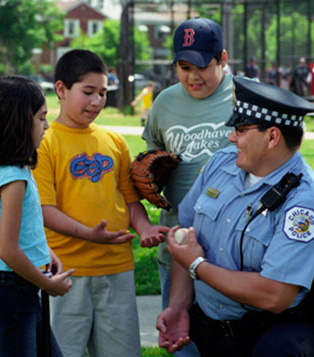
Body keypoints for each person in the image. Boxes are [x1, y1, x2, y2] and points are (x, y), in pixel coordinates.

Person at [156, 76, 314, 356]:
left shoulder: (304, 204)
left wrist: (197, 265)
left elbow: (275, 295)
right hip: (212, 327)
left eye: (240, 129)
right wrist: (178, 306)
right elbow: (185, 235)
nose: (231, 137)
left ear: (272, 137)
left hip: (274, 333)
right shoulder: (221, 163)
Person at [32, 49, 169, 357]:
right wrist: (89, 234)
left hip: (116, 267)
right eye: (88, 92)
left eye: (103, 93)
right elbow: (44, 210)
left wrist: (144, 227)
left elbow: (130, 199)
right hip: (65, 272)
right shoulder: (45, 142)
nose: (97, 101)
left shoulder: (114, 141)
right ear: (62, 90)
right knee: (62, 351)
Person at [141, 17, 235, 356]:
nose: (192, 77)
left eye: (201, 66)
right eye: (183, 67)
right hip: (179, 242)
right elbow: (149, 161)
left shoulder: (246, 95)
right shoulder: (164, 103)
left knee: (232, 342)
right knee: (183, 341)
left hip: (232, 247)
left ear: (222, 59)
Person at [0, 76, 74, 356]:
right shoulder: (13, 178)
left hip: (20, 283)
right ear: (18, 122)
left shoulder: (19, 171)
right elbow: (7, 249)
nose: (47, 125)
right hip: (9, 288)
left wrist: (45, 252)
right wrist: (48, 284)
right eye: (41, 117)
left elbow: (23, 231)